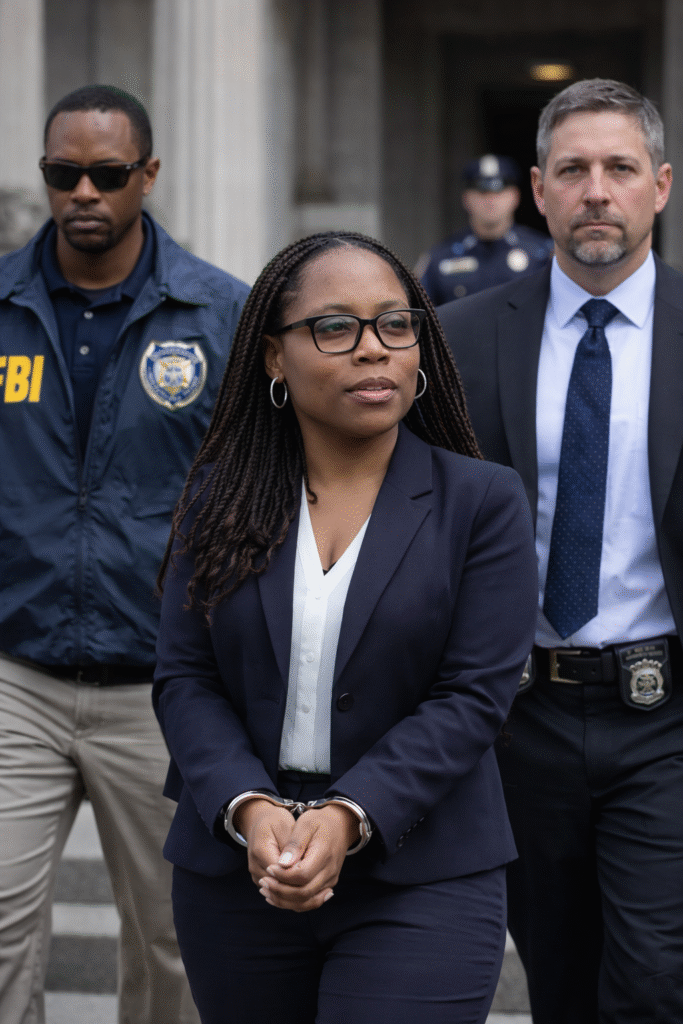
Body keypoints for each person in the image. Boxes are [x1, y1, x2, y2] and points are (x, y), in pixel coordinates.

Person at [152, 230, 538, 1024]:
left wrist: (348, 813)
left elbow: (472, 696)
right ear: (272, 356)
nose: (374, 350)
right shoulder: (218, 498)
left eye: (395, 325)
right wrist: (247, 808)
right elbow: (185, 678)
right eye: (336, 328)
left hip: (424, 869)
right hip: (239, 873)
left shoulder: (481, 501)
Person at [0, 85, 249, 1024]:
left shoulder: (220, 317)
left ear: (148, 175)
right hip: (14, 674)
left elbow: (260, 489)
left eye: (108, 175)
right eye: (64, 175)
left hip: (163, 685)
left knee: (175, 940)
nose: (85, 194)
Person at [438, 78, 683, 1024]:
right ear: (537, 191)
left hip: (663, 716)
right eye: (572, 170)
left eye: (618, 168)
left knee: (655, 979)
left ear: (658, 186)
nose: (595, 190)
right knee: (557, 980)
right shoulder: (458, 339)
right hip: (517, 719)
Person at [416, 154, 553, 305]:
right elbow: (419, 314)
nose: (490, 201)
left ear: (515, 197)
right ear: (466, 199)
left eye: (498, 192)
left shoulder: (542, 253)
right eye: (482, 193)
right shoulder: (440, 258)